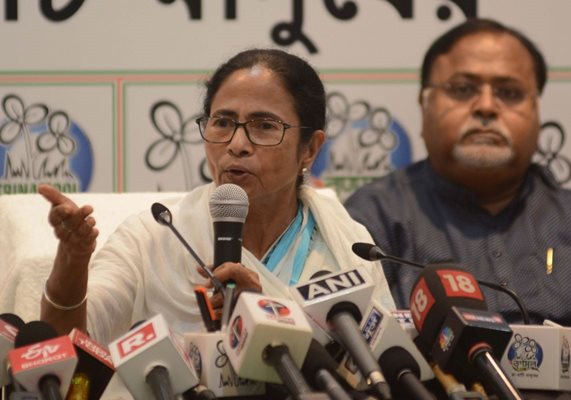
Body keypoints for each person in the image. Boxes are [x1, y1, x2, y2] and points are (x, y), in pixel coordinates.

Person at [39, 48, 394, 345]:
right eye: (222, 122)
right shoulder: (154, 236)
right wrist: (73, 261)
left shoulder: (347, 246)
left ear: (310, 149)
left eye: (264, 126)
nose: (237, 145)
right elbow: (67, 348)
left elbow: (382, 363)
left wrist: (264, 317)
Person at [345, 18, 571, 350]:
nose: (486, 107)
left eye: (509, 93)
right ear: (424, 105)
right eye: (463, 89)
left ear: (537, 111)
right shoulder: (372, 218)